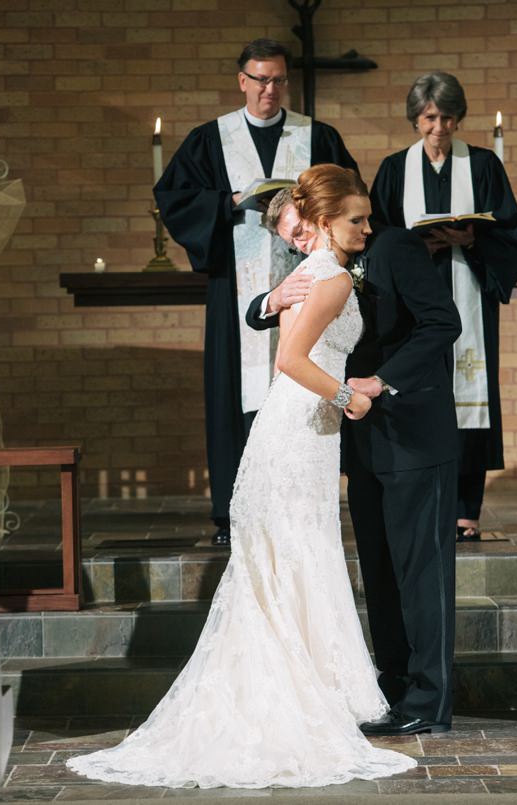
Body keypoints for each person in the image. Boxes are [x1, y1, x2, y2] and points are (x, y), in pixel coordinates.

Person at [67, 165, 417, 787]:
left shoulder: (312, 273)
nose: (368, 227)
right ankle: (295, 702)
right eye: (357, 219)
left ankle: (290, 692)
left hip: (292, 435)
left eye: (366, 218)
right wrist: (350, 399)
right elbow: (289, 359)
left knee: (286, 562)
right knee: (294, 556)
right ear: (328, 222)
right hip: (298, 432)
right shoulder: (330, 277)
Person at [247, 183, 462, 735]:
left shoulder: (393, 249)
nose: (297, 241)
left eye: (301, 229)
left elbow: (443, 322)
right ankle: (391, 684)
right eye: (291, 235)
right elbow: (266, 314)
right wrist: (272, 299)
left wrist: (384, 380)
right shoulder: (322, 266)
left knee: (423, 570)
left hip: (414, 430)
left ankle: (429, 700)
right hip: (359, 437)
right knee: (380, 568)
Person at [154, 38, 357, 546]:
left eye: (278, 79)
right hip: (237, 289)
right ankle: (233, 515)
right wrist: (230, 200)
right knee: (235, 395)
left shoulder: (318, 136)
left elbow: (350, 191)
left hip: (311, 284)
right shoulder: (210, 139)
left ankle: (300, 510)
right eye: (260, 79)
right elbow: (174, 197)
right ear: (242, 80)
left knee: (300, 385)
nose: (269, 89)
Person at [370, 72, 517, 542]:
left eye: (447, 118)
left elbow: (510, 232)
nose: (439, 128)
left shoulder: (482, 166)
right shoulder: (394, 169)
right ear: (415, 119)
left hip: (470, 290)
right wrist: (415, 247)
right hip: (413, 299)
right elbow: (377, 234)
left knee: (470, 400)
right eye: (429, 118)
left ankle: (466, 508)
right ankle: (422, 499)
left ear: (459, 118)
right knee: (418, 391)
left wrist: (472, 238)